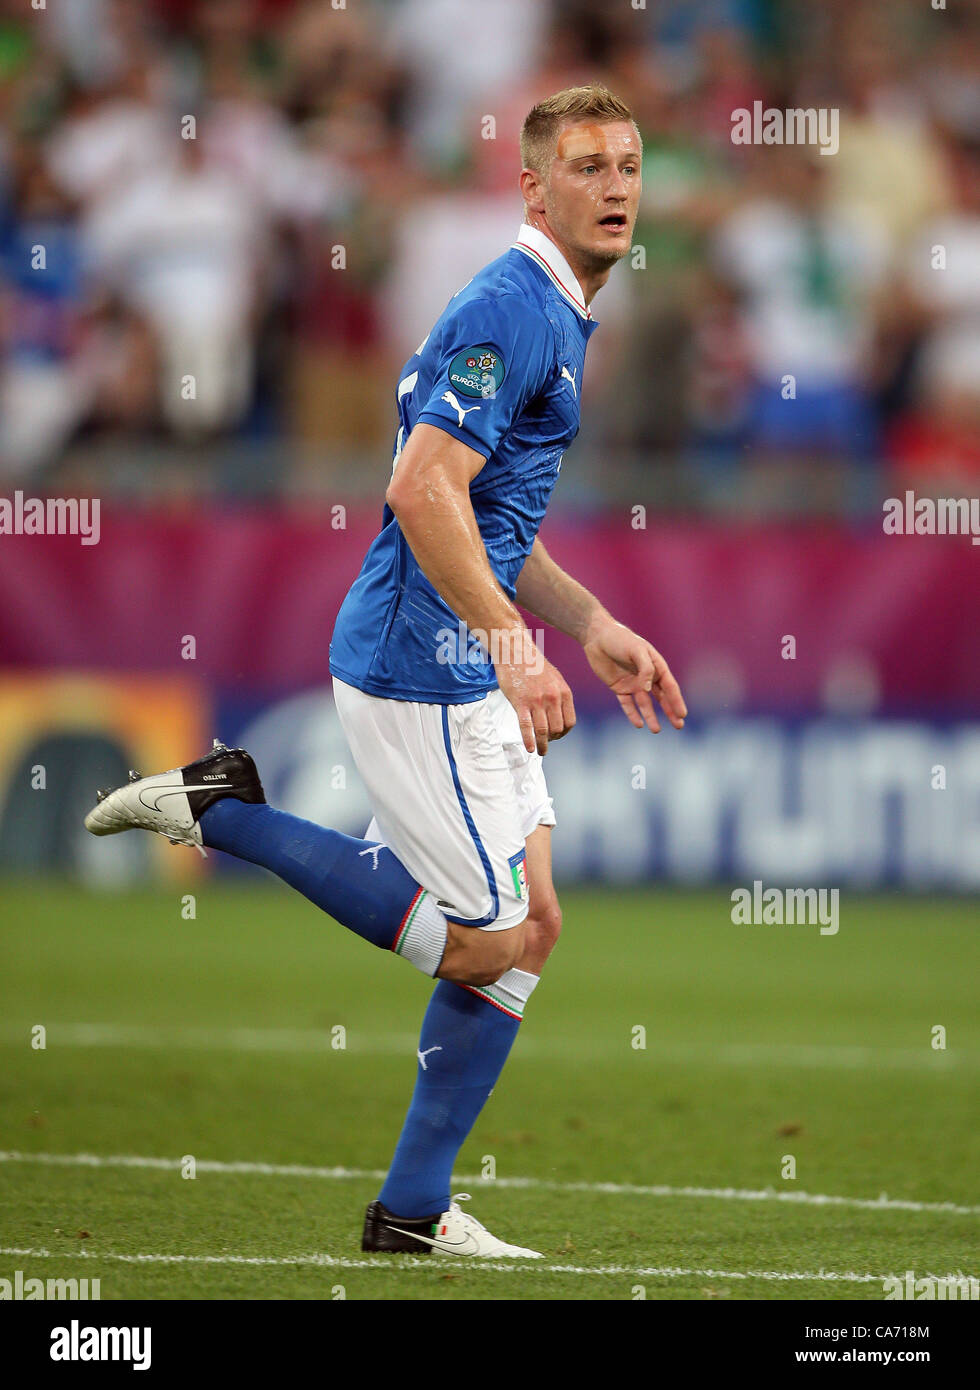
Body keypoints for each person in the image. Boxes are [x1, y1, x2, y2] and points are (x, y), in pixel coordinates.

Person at [85, 83, 687, 1259]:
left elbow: (489, 510)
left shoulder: (555, 312)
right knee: (483, 943)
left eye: (626, 164)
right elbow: (420, 489)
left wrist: (587, 620)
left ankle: (411, 1211)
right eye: (585, 166)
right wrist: (515, 648)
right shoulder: (509, 308)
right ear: (532, 186)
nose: (614, 185)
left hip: (460, 661)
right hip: (416, 666)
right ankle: (224, 813)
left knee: (536, 924)